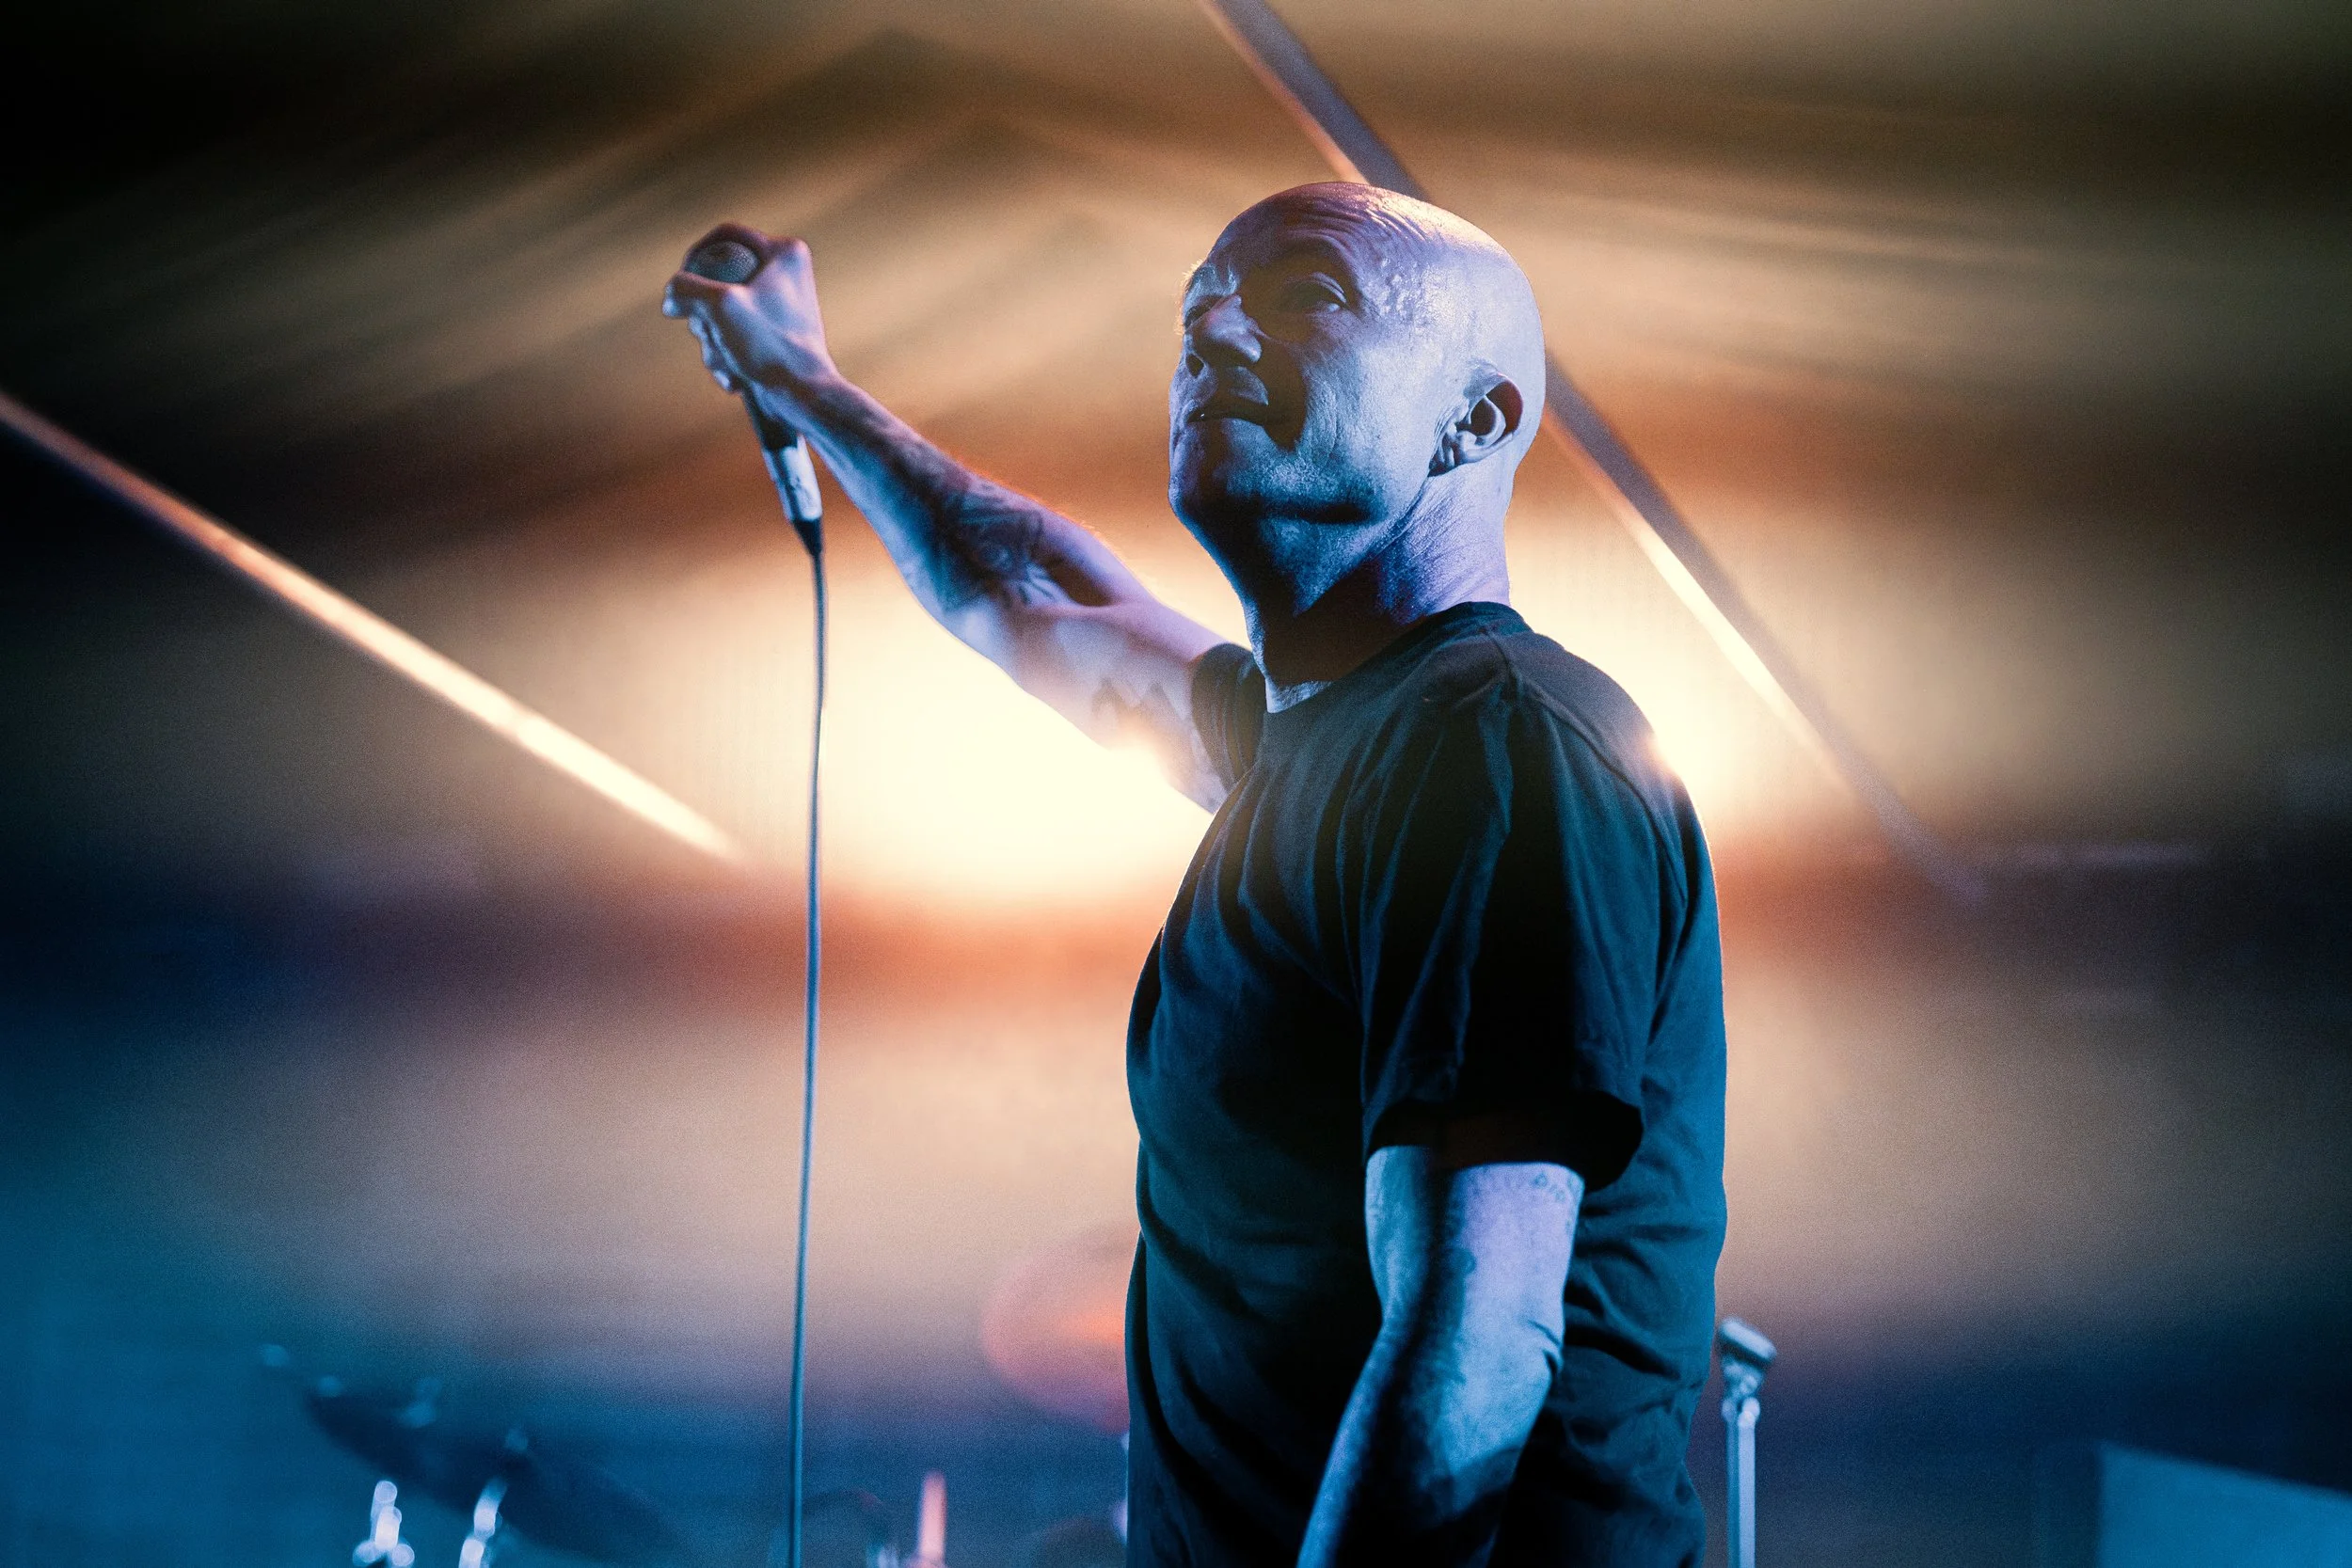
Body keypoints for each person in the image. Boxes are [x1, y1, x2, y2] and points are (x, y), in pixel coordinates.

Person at [665, 182, 1726, 1568]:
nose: (1214, 330)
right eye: (1199, 308)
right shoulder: (1309, 748)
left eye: (1304, 295)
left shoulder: (1500, 748)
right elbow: (1033, 597)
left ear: (1476, 419)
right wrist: (802, 381)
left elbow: (1479, 1344)